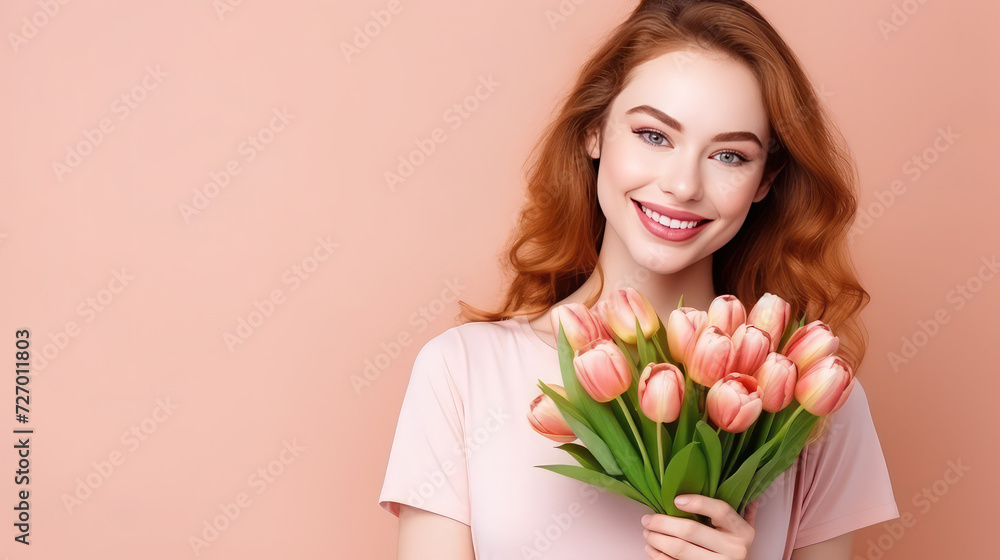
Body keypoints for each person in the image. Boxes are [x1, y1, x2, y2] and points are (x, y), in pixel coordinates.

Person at [378, 0, 899, 558]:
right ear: (594, 132)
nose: (682, 185)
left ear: (765, 180)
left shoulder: (808, 401)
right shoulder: (462, 371)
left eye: (729, 155)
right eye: (655, 135)